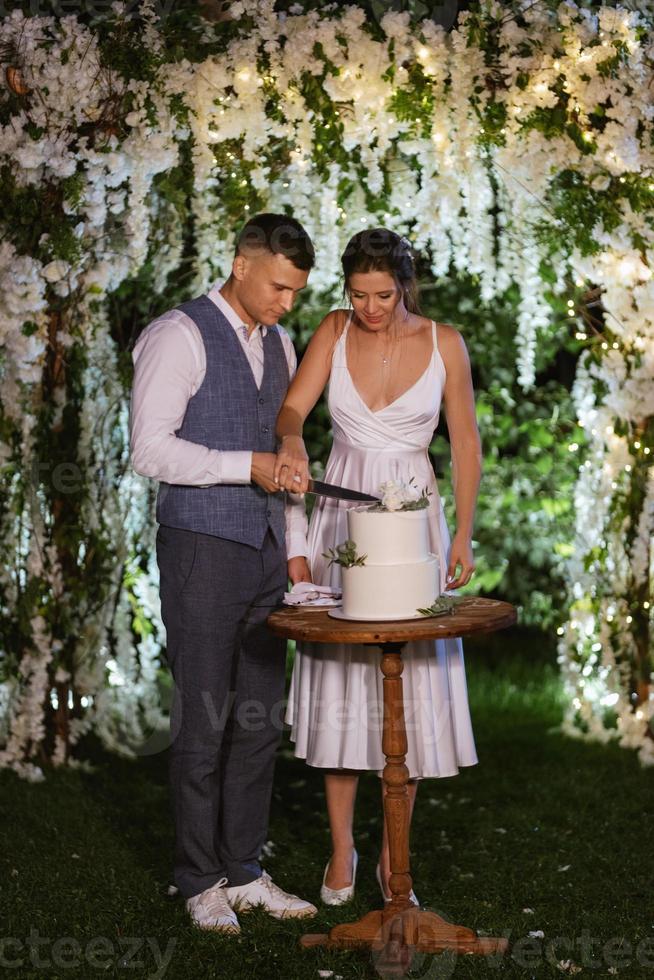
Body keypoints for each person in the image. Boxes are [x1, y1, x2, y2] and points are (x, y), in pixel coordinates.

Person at [274, 228, 481, 906]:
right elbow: (293, 408)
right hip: (344, 519)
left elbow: (468, 443)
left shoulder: (444, 342)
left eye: (383, 295)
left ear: (405, 285)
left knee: (409, 684)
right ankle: (342, 850)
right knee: (343, 681)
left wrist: (464, 536)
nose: (369, 308)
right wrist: (290, 440)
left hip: (415, 515)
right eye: (358, 295)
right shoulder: (334, 331)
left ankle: (397, 861)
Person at [129, 213, 317, 933]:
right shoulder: (177, 336)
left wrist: (294, 549)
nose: (286, 304)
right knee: (206, 724)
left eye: (297, 292)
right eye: (278, 287)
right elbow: (150, 451)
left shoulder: (281, 342)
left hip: (267, 556)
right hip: (201, 550)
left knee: (259, 723)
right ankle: (198, 879)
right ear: (241, 264)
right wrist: (247, 467)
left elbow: (284, 463)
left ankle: (244, 871)